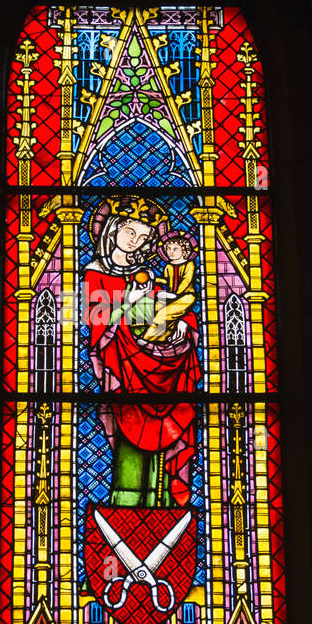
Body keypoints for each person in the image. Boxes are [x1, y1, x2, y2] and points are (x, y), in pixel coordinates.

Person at [83, 197, 201, 508]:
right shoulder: (95, 274)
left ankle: (163, 500)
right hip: (123, 371)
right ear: (111, 230)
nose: (136, 242)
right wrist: (128, 302)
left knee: (166, 439)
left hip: (163, 368)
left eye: (144, 237)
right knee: (129, 438)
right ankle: (126, 500)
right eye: (130, 232)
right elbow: (97, 323)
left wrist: (182, 328)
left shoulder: (150, 273)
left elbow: (178, 306)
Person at [142, 231, 198, 344]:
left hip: (186, 297)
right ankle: (160, 339)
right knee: (151, 309)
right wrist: (153, 279)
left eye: (175, 249)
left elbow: (185, 282)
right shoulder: (168, 266)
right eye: (168, 249)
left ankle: (147, 339)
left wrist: (174, 294)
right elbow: (167, 281)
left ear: (184, 250)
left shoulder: (189, 265)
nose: (171, 252)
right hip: (171, 295)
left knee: (164, 313)